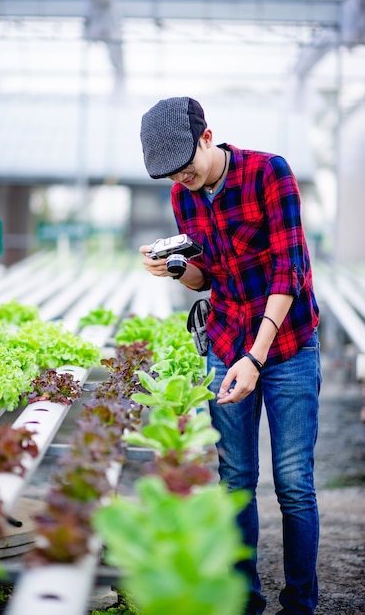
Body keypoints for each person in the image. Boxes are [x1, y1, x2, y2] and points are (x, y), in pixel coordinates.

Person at [139, 96, 321, 615]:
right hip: (225, 342)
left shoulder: (270, 173)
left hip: (286, 347)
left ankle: (300, 604)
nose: (181, 178)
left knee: (293, 483)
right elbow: (206, 277)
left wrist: (256, 358)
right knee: (236, 478)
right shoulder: (184, 195)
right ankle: (245, 600)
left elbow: (291, 272)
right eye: (170, 174)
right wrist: (174, 267)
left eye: (186, 165)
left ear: (206, 137)